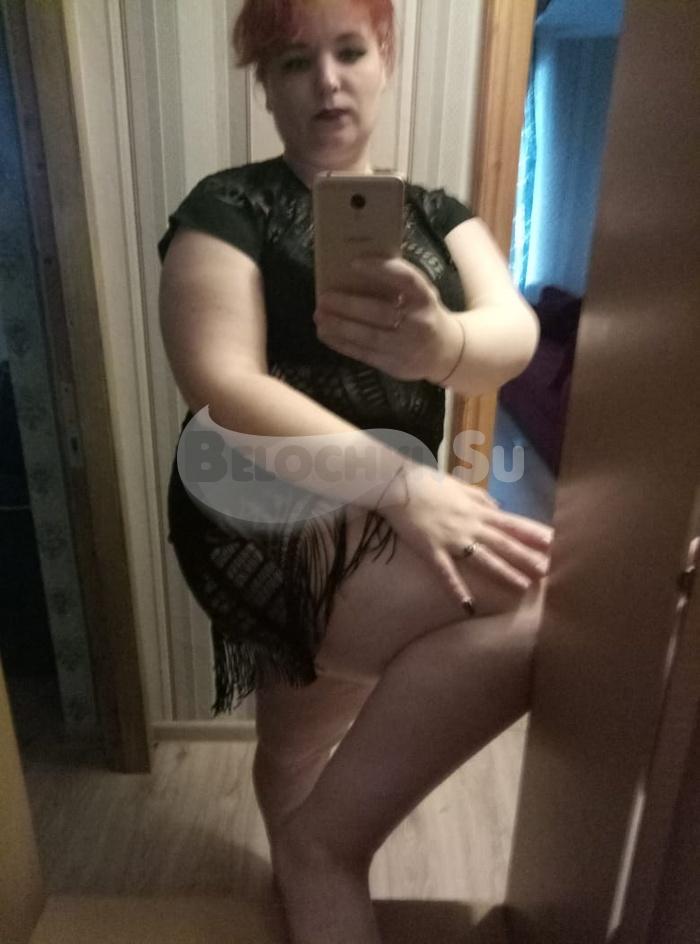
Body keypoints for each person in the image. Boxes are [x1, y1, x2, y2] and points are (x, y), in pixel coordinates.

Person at [158, 1, 553, 940]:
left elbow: (515, 331)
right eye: (295, 63)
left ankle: (302, 870)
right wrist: (406, 486)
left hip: (384, 509)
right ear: (265, 86)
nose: (327, 82)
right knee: (546, 604)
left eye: (348, 52)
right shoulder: (229, 205)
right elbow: (220, 382)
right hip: (256, 501)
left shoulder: (439, 214)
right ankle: (321, 853)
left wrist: (444, 343)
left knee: (300, 738)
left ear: (385, 60)